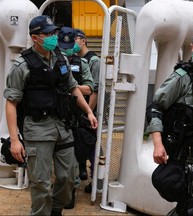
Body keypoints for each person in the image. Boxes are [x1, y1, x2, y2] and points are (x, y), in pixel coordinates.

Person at [4, 15, 97, 216]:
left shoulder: (60, 58)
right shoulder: (22, 66)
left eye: (54, 32)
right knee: (41, 183)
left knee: (68, 178)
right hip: (37, 130)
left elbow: (73, 88)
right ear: (35, 37)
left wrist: (88, 111)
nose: (53, 37)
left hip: (63, 127)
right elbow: (11, 102)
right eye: (48, 33)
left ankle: (55, 210)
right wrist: (14, 140)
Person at [146, 27, 193, 215]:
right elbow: (156, 107)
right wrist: (157, 144)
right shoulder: (182, 77)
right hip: (185, 155)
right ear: (192, 47)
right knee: (190, 204)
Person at [57, 26, 95, 209]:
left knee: (72, 158)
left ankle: (70, 191)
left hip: (75, 117)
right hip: (55, 117)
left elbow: (89, 88)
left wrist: (71, 86)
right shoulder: (52, 61)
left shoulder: (83, 63)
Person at [74, 28, 102, 193]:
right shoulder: (75, 60)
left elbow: (95, 90)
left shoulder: (93, 61)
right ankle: (81, 172)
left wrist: (88, 112)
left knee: (93, 146)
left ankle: (97, 180)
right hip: (78, 111)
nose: (73, 42)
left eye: (76, 39)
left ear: (83, 40)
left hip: (89, 112)